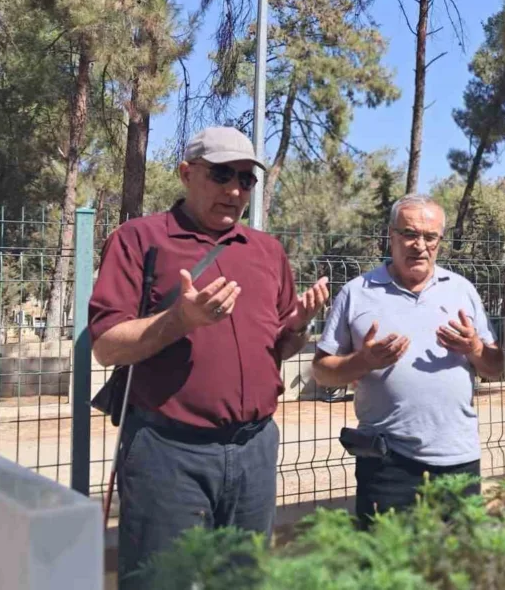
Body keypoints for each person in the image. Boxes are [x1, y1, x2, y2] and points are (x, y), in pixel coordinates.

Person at [88, 126, 330, 587]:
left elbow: (279, 350)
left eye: (246, 179)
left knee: (243, 579)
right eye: (221, 175)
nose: (235, 190)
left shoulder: (267, 251)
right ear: (186, 173)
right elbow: (106, 346)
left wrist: (298, 325)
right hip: (168, 454)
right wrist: (179, 320)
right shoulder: (139, 240)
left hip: (255, 450)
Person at [312, 194, 504, 528]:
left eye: (430, 237)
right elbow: (321, 372)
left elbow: (495, 366)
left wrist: (474, 347)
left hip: (459, 461)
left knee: (459, 559)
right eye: (410, 234)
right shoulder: (357, 293)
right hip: (387, 464)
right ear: (392, 235)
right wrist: (364, 361)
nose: (420, 245)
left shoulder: (462, 290)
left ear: (440, 241)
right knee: (388, 558)